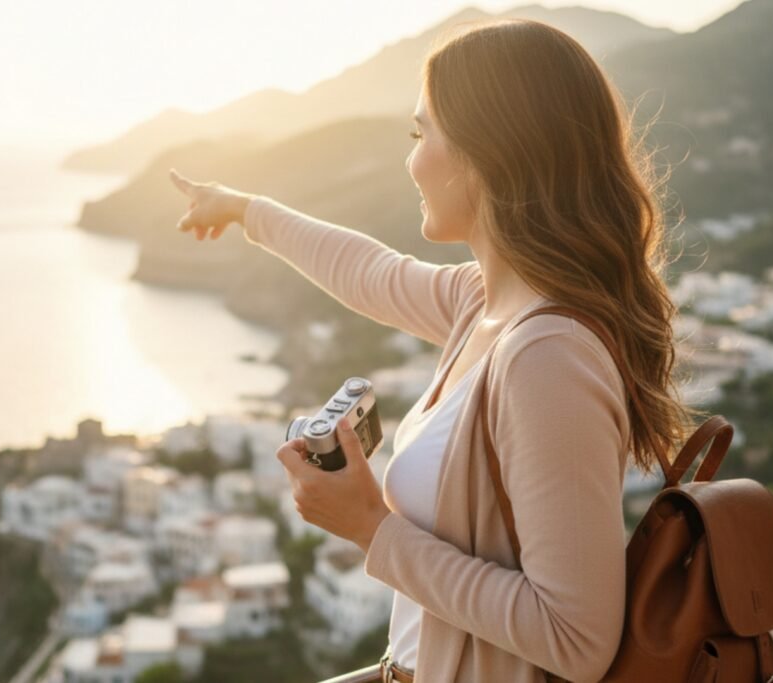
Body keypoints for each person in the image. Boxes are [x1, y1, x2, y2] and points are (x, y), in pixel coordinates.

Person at [169, 17, 705, 683]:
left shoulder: (548, 358)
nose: (411, 158)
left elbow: (577, 637)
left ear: (487, 154)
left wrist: (371, 526)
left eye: (422, 134)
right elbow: (368, 270)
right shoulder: (485, 304)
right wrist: (243, 207)